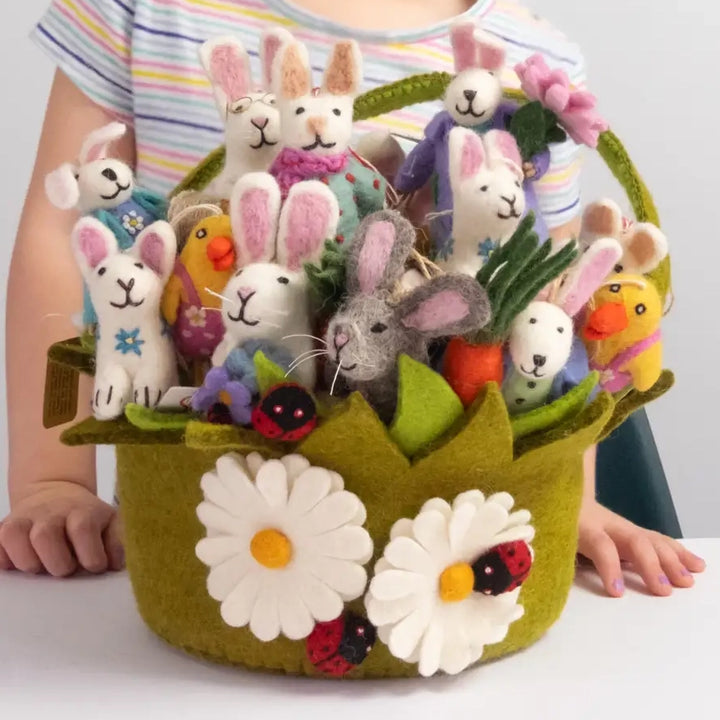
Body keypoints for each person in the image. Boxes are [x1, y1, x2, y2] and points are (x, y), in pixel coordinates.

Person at [1, 0, 705, 595]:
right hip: (193, 540)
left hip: (441, 566)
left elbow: (549, 311)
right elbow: (62, 239)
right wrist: (52, 482)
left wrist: (570, 499)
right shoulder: (141, 11)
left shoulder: (535, 65)